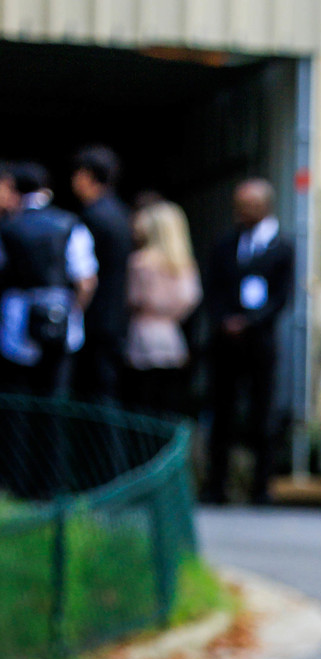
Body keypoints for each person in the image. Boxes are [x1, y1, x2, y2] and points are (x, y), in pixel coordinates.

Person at [202, 178, 294, 505]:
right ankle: (217, 485)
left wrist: (251, 322)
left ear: (266, 205)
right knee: (222, 413)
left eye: (251, 205)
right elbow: (212, 288)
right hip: (226, 342)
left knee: (262, 413)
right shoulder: (225, 243)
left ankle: (260, 487)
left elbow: (283, 297)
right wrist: (224, 320)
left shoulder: (282, 246)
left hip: (260, 342)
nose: (244, 211)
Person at [0, 162, 97, 400]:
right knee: (56, 399)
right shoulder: (70, 223)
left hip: (16, 322)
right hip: (63, 317)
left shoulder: (8, 227)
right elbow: (86, 281)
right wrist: (75, 310)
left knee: (17, 399)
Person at [123, 199, 201, 414]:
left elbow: (133, 299)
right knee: (168, 401)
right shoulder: (184, 264)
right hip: (171, 335)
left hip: (143, 333)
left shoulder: (140, 262)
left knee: (143, 400)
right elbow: (190, 298)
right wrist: (171, 315)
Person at [69, 145, 133, 404]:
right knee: (107, 387)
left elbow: (85, 274)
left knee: (95, 392)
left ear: (87, 176)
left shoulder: (93, 216)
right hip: (116, 313)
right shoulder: (121, 212)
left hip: (96, 316)